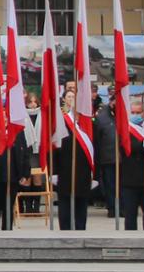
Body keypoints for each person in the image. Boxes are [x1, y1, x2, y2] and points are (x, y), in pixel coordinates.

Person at [50, 89, 95, 231]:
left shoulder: (90, 125)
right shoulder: (62, 123)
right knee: (65, 209)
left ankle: (81, 233)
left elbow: (97, 150)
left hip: (84, 173)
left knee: (81, 208)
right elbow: (53, 148)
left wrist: (96, 175)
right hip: (65, 173)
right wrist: (54, 172)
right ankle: (65, 235)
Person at [0, 106, 31, 231]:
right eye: (2, 117)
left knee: (8, 207)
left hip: (12, 176)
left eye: (6, 117)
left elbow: (25, 153)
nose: (4, 119)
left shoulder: (17, 132)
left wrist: (25, 174)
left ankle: (7, 231)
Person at [116, 98, 144, 230]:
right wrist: (142, 145)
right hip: (129, 179)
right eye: (133, 112)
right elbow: (124, 147)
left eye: (138, 112)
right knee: (130, 215)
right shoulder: (125, 128)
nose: (135, 115)